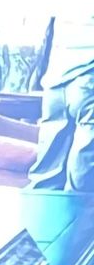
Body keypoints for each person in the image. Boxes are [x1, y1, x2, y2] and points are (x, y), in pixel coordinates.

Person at [30, 19, 94, 192]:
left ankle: (41, 218)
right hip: (89, 77)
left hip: (56, 81)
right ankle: (78, 218)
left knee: (46, 174)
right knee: (83, 175)